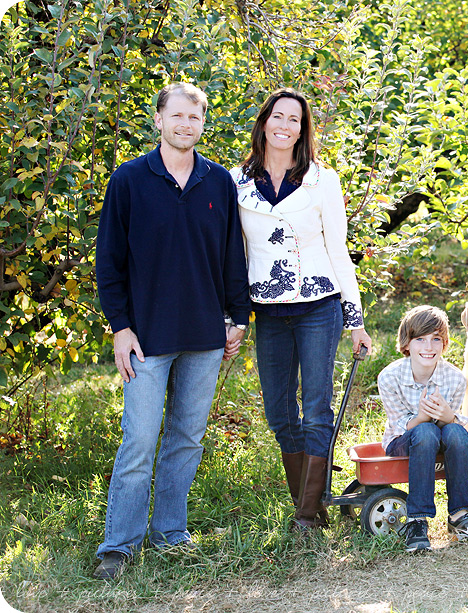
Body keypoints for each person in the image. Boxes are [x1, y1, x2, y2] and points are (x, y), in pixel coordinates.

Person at [93, 82, 250, 579]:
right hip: (146, 336)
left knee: (186, 438)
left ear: (203, 123)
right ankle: (119, 545)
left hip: (205, 335)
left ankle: (169, 533)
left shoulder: (218, 181)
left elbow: (231, 256)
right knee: (139, 440)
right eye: (177, 116)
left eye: (195, 118)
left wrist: (236, 317)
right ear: (159, 120)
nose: (186, 125)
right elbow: (109, 263)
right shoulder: (129, 180)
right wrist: (120, 328)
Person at [231, 88, 372, 531]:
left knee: (316, 408)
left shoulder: (322, 180)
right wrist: (231, 316)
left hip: (319, 306)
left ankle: (308, 514)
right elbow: (233, 255)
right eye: (278, 116)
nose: (285, 125)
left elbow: (339, 250)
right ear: (264, 122)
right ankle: (310, 497)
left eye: (295, 119)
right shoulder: (235, 181)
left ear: (302, 129)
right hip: (267, 312)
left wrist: (356, 321)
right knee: (278, 412)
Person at [377, 305, 468, 552]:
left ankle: (460, 517)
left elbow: (451, 431)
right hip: (402, 440)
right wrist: (423, 415)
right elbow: (401, 426)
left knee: (457, 432)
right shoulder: (389, 377)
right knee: (425, 431)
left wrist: (448, 417)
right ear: (407, 344)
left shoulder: (454, 378)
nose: (428, 347)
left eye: (436, 339)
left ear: (444, 344)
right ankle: (417, 520)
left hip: (439, 438)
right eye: (420, 340)